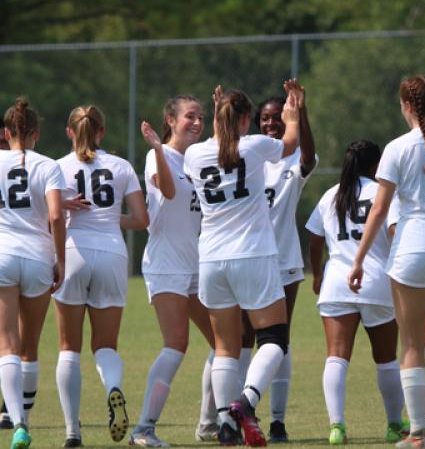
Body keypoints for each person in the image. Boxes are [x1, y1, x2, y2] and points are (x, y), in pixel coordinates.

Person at [348, 75, 425, 448]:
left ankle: (418, 433)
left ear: (406, 105)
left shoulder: (398, 147)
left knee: (411, 342)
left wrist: (358, 260)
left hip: (411, 248)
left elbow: (379, 210)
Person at [183, 86, 299, 447]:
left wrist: (222, 109)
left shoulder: (193, 153)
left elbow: (221, 146)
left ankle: (225, 426)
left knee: (225, 347)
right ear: (247, 119)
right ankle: (246, 401)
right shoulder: (253, 146)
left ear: (216, 116)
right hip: (253, 254)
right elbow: (291, 144)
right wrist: (292, 112)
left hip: (212, 257)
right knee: (275, 339)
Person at [53, 105, 148, 447]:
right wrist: (108, 220)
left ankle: (71, 432)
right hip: (111, 253)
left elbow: (42, 212)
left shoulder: (56, 168)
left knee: (68, 347)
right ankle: (113, 390)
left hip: (73, 252)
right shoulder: (121, 166)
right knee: (105, 345)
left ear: (69, 132)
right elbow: (141, 220)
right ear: (102, 132)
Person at [130, 96, 218, 447]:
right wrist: (157, 147)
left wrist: (222, 115)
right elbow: (166, 190)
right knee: (176, 343)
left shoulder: (197, 159)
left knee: (227, 342)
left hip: (196, 263)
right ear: (170, 119)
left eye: (202, 117)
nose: (197, 122)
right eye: (189, 116)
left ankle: (210, 423)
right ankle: (143, 429)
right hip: (166, 264)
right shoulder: (158, 155)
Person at [306, 140, 408, 445]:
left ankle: (336, 427)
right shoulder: (384, 193)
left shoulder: (330, 195)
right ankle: (393, 425)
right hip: (376, 282)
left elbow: (313, 239)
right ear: (377, 166)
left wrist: (318, 273)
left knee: (336, 357)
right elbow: (394, 233)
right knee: (386, 359)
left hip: (336, 282)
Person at [239, 79, 317, 442]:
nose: (271, 124)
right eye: (265, 120)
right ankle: (235, 413)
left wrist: (301, 112)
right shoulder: (251, 158)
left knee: (278, 340)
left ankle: (278, 421)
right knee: (241, 338)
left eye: (277, 119)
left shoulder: (292, 161)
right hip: (248, 256)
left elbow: (308, 157)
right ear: (257, 124)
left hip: (283, 260)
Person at [0, 98, 66, 448]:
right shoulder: (50, 165)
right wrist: (61, 260)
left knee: (5, 343)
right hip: (40, 257)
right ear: (36, 133)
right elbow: (56, 216)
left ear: (6, 133)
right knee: (30, 346)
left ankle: (18, 425)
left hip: (3, 256)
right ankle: (24, 415)